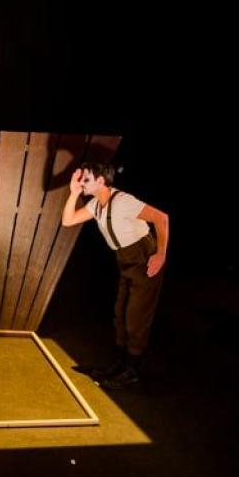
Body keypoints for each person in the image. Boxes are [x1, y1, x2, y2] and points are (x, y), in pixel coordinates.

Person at [61, 162, 169, 388]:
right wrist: (73, 193)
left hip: (142, 258)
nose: (82, 183)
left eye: (86, 179)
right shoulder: (95, 205)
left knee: (135, 318)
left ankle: (132, 372)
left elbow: (162, 218)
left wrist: (160, 254)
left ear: (101, 181)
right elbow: (68, 220)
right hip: (125, 261)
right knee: (120, 315)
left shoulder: (123, 202)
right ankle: (120, 365)